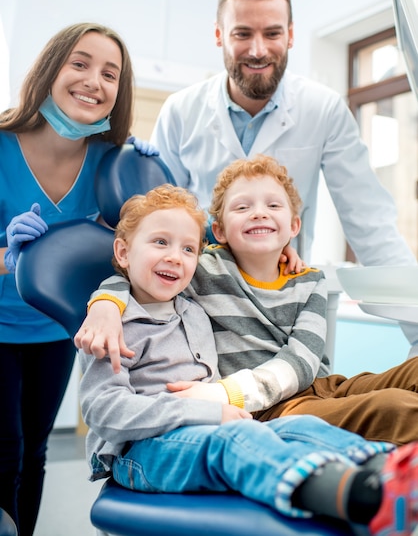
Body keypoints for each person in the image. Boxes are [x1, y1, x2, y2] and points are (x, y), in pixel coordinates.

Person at [78, 183, 418, 536]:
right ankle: (364, 497)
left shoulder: (192, 308)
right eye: (160, 242)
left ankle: (390, 471)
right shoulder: (109, 330)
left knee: (301, 429)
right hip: (143, 450)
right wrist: (104, 303)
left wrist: (280, 249)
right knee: (238, 441)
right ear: (122, 252)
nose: (176, 257)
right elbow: (106, 412)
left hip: (211, 426)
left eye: (189, 248)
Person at [148, 0, 417, 352]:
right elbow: (157, 219)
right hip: (199, 304)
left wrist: (416, 327)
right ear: (220, 35)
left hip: (287, 308)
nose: (258, 50)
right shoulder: (180, 110)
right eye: (242, 33)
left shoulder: (322, 109)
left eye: (272, 33)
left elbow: (370, 223)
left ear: (290, 35)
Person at [79, 155, 418, 448]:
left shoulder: (309, 280)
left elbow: (303, 360)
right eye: (242, 207)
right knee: (396, 407)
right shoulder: (202, 268)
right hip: (266, 412)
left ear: (293, 225)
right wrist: (106, 305)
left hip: (312, 385)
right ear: (220, 230)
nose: (259, 214)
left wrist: (225, 393)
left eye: (273, 205)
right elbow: (140, 273)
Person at [0, 22, 153, 536]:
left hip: (56, 330)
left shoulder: (111, 168)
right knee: (4, 451)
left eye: (110, 73)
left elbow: (150, 247)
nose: (94, 80)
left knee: (35, 452)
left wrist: (157, 189)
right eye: (80, 63)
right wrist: (9, 257)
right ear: (50, 70)